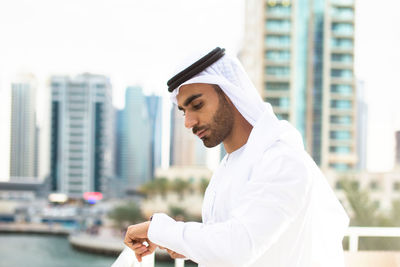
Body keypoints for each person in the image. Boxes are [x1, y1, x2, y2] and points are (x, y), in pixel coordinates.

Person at [123, 47, 349, 267]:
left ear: (230, 94)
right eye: (184, 111)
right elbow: (236, 239)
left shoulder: (281, 159)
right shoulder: (230, 164)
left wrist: (160, 229)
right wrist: (184, 245)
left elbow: (239, 247)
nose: (188, 122)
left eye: (197, 105)